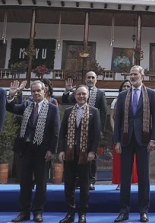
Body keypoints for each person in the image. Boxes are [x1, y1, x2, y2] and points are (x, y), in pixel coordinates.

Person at [6, 80, 60, 223]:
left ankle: (38, 212)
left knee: (41, 184)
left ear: (45, 91)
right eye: (33, 91)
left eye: (38, 91)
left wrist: (51, 150)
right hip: (25, 150)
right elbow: (12, 108)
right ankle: (24, 212)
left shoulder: (52, 108)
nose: (36, 93)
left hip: (42, 152)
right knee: (24, 183)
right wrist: (11, 96)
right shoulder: (27, 105)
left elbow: (55, 132)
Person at [113, 65, 155, 223]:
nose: (132, 77)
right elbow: (117, 119)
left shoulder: (151, 94)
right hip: (126, 140)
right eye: (130, 75)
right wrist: (117, 141)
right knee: (125, 178)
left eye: (135, 74)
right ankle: (124, 211)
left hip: (143, 140)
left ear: (142, 76)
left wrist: (153, 139)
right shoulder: (123, 95)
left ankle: (143, 211)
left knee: (144, 177)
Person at [57, 85, 101, 223]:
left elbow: (96, 134)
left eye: (83, 94)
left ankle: (82, 213)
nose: (81, 96)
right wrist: (61, 150)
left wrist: (92, 151)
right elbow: (62, 133)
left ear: (87, 95)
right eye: (78, 94)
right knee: (68, 184)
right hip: (70, 153)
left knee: (84, 185)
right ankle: (70, 213)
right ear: (75, 96)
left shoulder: (94, 111)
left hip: (85, 154)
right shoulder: (69, 111)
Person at [63, 71, 108, 190]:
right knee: (77, 155)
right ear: (85, 79)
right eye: (88, 77)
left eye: (93, 77)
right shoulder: (79, 92)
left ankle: (91, 180)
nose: (90, 79)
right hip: (77, 129)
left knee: (92, 156)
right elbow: (66, 101)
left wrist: (100, 130)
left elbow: (103, 113)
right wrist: (68, 91)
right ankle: (78, 180)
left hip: (92, 130)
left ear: (96, 79)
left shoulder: (100, 93)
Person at [111, 79, 139, 190]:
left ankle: (132, 181)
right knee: (119, 159)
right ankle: (120, 182)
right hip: (120, 133)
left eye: (128, 86)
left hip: (132, 133)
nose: (126, 88)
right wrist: (115, 130)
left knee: (132, 160)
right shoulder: (116, 100)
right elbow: (112, 117)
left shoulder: (135, 100)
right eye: (124, 86)